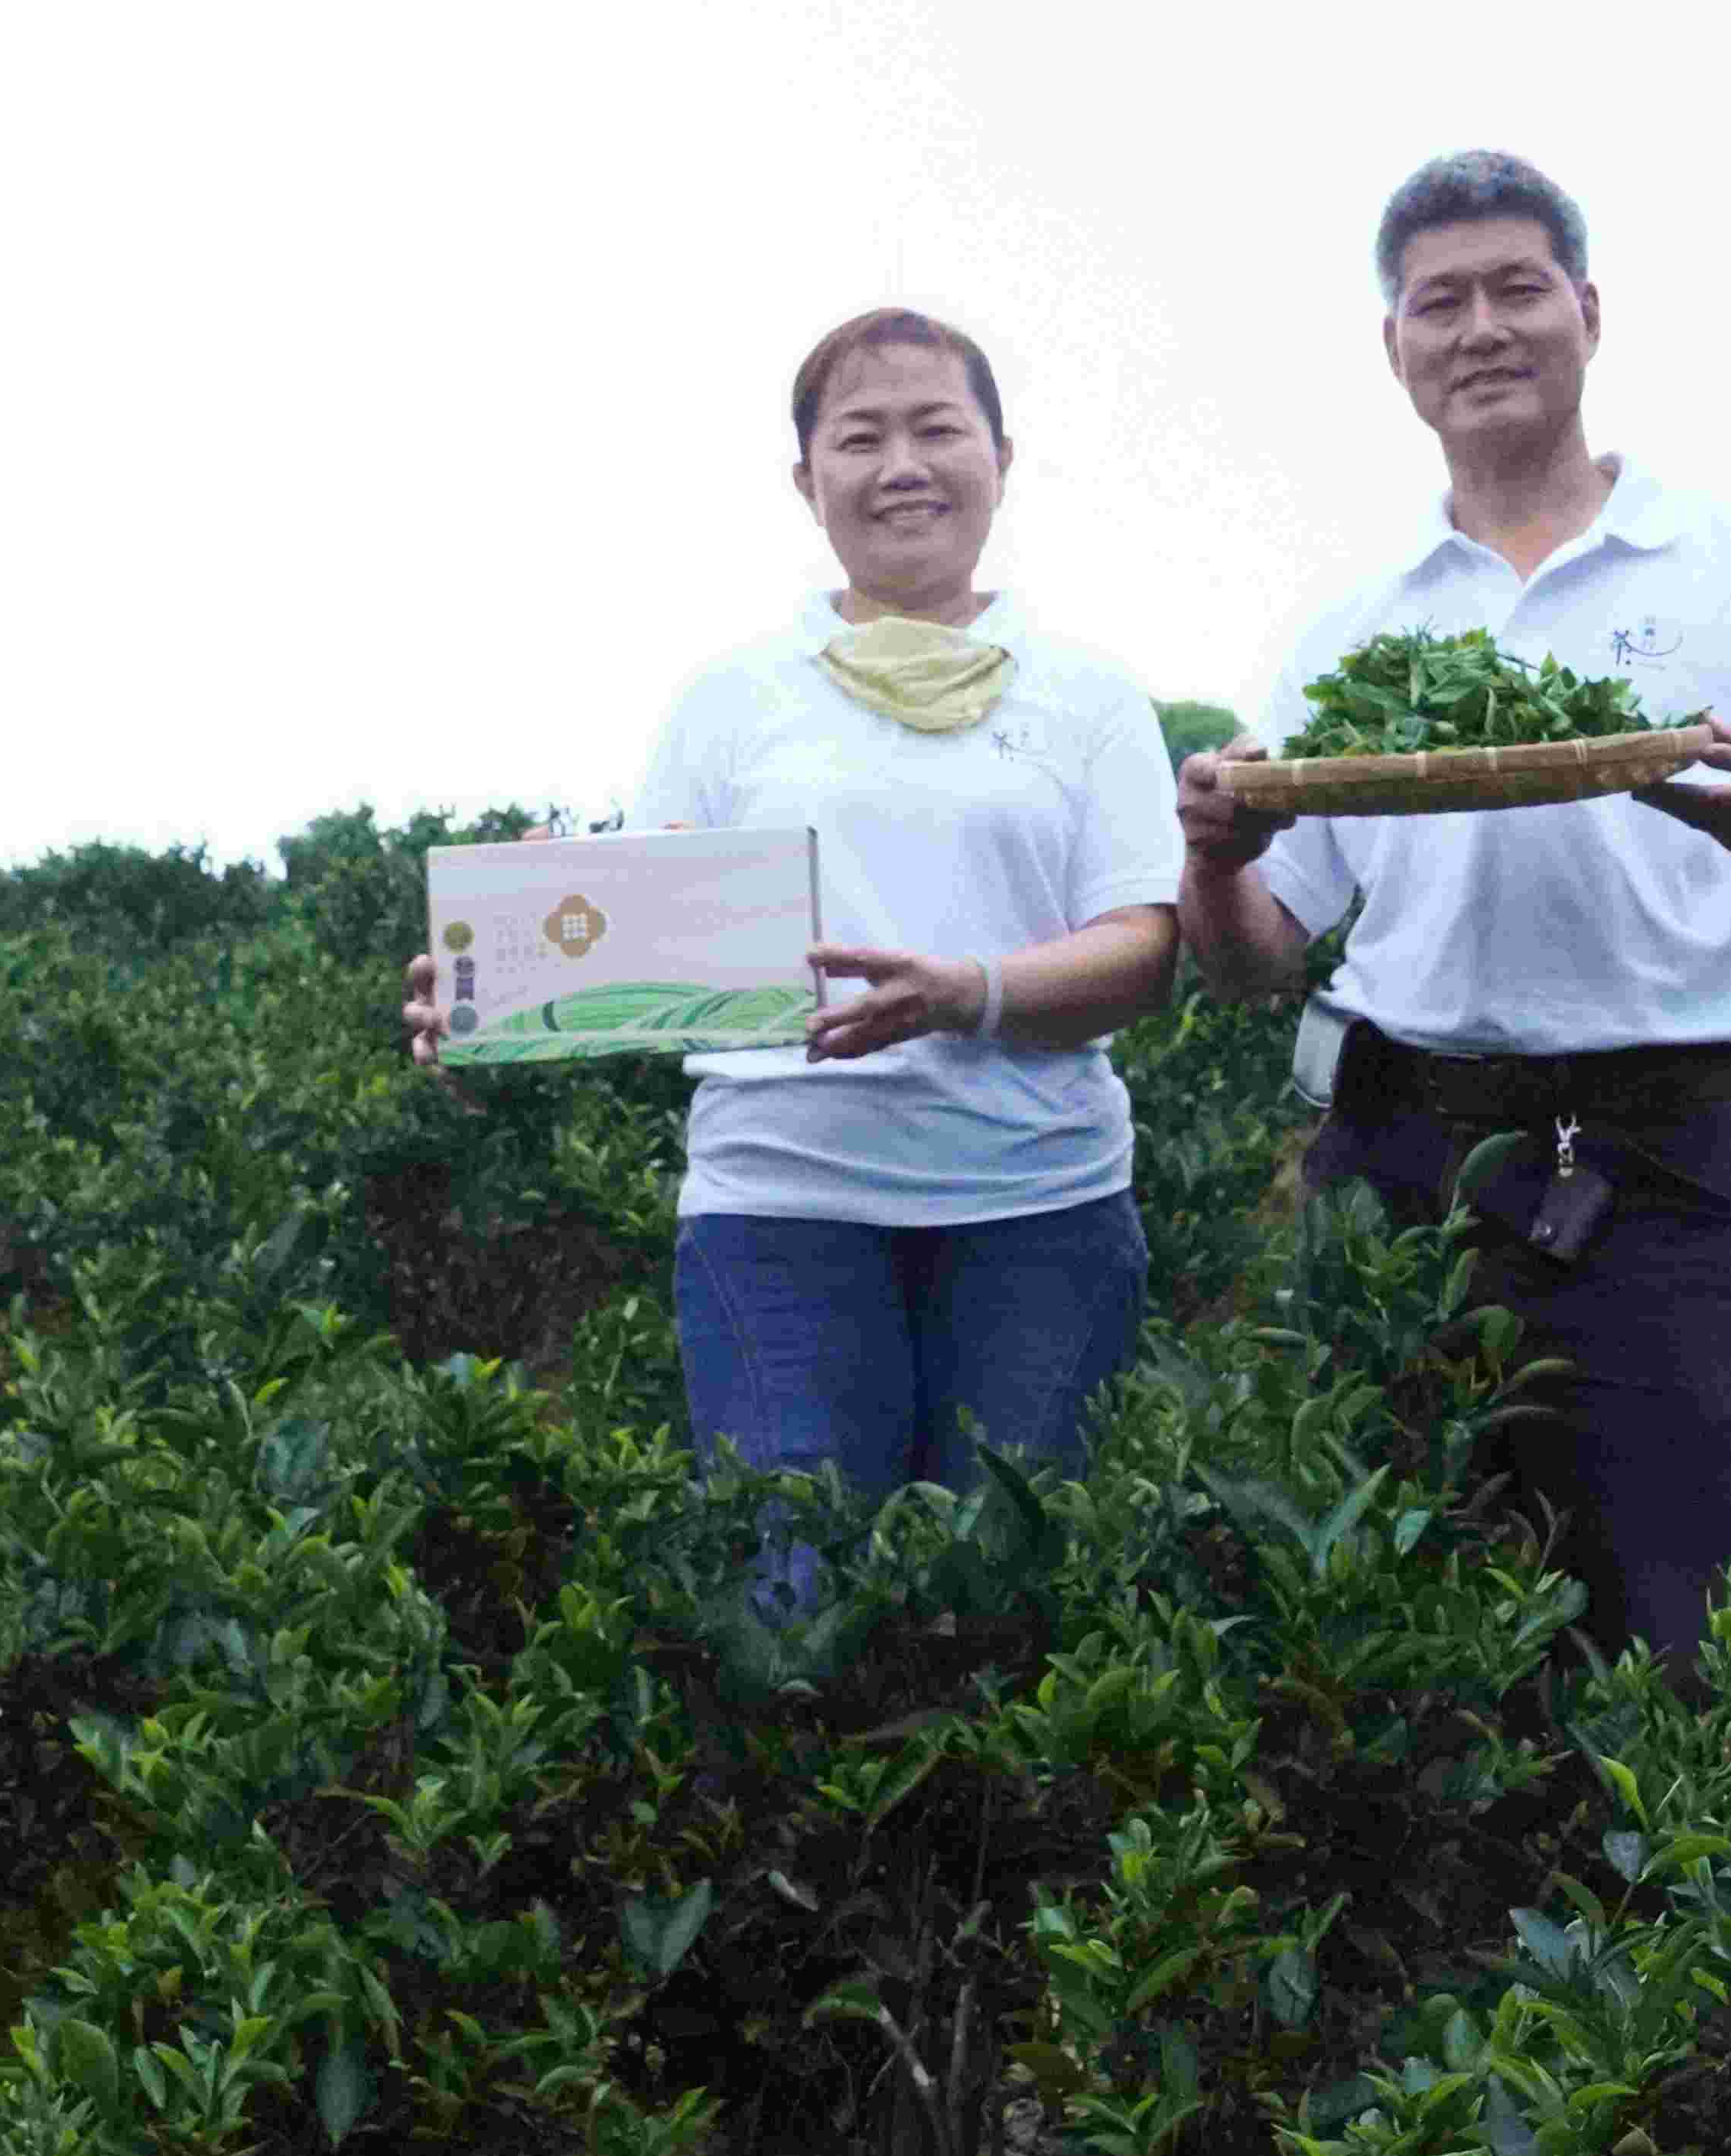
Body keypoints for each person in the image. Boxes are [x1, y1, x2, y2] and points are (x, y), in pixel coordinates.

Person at [1172, 153, 1731, 1697]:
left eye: (1518, 287)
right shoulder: (1353, 626)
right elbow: (1257, 964)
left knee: (1691, 1619)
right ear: (1395, 348)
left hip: (1668, 1152)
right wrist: (1212, 852)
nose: (1482, 328)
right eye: (1439, 302)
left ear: (1588, 309)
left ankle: (1702, 1926)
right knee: (1418, 1613)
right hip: (1405, 1155)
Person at [404, 306, 1186, 1532]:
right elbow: (641, 939)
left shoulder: (1090, 698)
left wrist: (964, 993)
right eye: (861, 438)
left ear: (1002, 456)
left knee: (1015, 1593)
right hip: (777, 1211)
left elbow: (1145, 951)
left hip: (1037, 1211)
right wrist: (487, 991)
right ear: (806, 478)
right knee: (790, 1587)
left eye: (938, 429)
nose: (904, 466)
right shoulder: (730, 701)